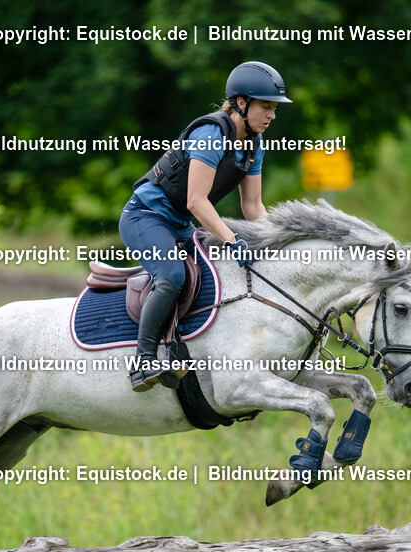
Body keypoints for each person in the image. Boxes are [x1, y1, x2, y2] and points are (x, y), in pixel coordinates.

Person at [120, 61, 292, 392]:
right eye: (266, 107)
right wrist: (232, 240)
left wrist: (274, 245)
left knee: (217, 276)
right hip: (145, 216)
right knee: (173, 275)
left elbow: (253, 206)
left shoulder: (254, 144)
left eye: (274, 109)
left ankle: (184, 350)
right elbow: (196, 201)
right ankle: (143, 363)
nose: (272, 115)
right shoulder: (210, 135)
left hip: (180, 224)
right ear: (241, 103)